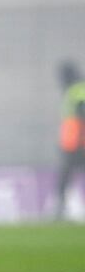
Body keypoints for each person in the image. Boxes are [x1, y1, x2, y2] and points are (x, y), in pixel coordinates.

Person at [56, 61, 85, 220]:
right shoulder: (75, 91)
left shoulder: (77, 92)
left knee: (65, 177)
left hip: (77, 145)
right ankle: (60, 208)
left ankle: (60, 209)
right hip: (72, 144)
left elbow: (82, 117)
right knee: (65, 176)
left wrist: (80, 142)